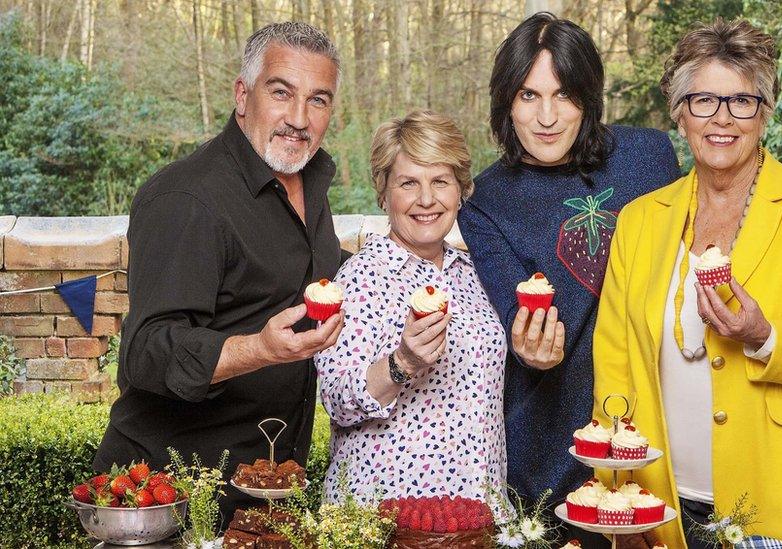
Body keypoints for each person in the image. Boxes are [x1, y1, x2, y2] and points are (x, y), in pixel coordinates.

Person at [593, 19, 782, 548]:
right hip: (664, 507)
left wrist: (764, 335)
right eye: (703, 101)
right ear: (680, 114)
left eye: (742, 102)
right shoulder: (639, 220)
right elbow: (615, 371)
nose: (722, 119)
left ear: (764, 113)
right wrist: (616, 502)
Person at [94, 22, 346, 526]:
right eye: (281, 93)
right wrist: (261, 349)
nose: (299, 118)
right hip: (175, 493)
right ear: (241, 94)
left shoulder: (309, 179)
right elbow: (146, 353)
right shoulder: (187, 199)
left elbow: (296, 278)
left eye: (318, 100)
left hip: (266, 485)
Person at [457, 12, 680, 546]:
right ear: (506, 102)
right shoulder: (485, 201)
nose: (547, 116)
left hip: (647, 433)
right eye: (529, 96)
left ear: (589, 96)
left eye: (564, 95)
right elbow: (517, 313)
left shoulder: (649, 159)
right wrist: (531, 345)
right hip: (547, 445)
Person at [315, 111, 509, 509]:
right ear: (384, 193)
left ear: (461, 191)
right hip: (384, 514)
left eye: (440, 181)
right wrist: (401, 362)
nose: (426, 199)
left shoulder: (478, 274)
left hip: (476, 510)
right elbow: (337, 399)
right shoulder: (357, 279)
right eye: (408, 183)